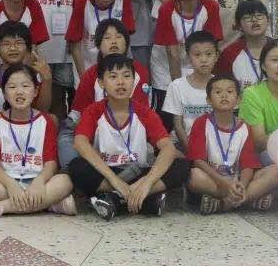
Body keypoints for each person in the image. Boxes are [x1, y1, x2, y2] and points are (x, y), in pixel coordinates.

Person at [69, 55, 190, 220]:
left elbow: (167, 147)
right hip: (107, 173)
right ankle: (145, 201)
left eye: (126, 76)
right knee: (77, 167)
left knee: (181, 165)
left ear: (134, 81)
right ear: (101, 82)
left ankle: (116, 198)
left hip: (139, 172)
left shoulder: (144, 112)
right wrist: (115, 181)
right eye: (113, 77)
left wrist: (146, 184)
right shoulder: (93, 111)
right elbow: (79, 142)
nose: (121, 82)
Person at [0, 63, 76, 219]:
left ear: (35, 91)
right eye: (12, 87)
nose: (19, 92)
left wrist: (39, 182)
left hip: (39, 182)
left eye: (26, 86)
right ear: (4, 93)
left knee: (65, 180)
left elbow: (51, 163)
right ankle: (50, 204)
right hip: (7, 182)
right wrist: (11, 185)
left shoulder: (46, 121)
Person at [59, 19, 152, 167]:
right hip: (91, 127)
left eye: (119, 36)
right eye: (107, 37)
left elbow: (142, 114)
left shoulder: (140, 71)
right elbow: (81, 116)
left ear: (127, 42)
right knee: (67, 143)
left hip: (129, 128)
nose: (113, 41)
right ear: (98, 44)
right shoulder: (91, 74)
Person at [186, 74, 278, 213]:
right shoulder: (201, 123)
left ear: (238, 99)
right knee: (195, 176)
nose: (224, 96)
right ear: (208, 100)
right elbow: (198, 161)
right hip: (214, 180)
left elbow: (248, 165)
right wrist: (224, 182)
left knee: (277, 170)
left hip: (237, 180)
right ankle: (249, 198)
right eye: (218, 92)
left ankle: (224, 204)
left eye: (230, 92)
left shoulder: (244, 127)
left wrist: (242, 185)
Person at [0, 21, 53, 156]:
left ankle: (44, 161)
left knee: (52, 119)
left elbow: (43, 112)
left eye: (18, 43)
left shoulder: (37, 75)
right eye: (6, 44)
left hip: (28, 131)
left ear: (28, 48)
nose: (13, 48)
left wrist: (47, 80)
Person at [151, 0, 223, 111]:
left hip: (198, 63)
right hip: (166, 67)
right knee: (171, 110)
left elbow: (209, 48)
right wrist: (179, 90)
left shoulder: (211, 7)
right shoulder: (166, 10)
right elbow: (172, 54)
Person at [66, 0, 135, 81]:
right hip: (87, 66)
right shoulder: (82, 3)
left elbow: (125, 40)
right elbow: (75, 45)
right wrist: (84, 78)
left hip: (117, 68)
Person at [163, 31, 220, 147]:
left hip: (215, 145)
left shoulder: (221, 85)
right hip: (183, 143)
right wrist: (192, 151)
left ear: (217, 56)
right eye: (197, 55)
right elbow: (178, 125)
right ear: (188, 57)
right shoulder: (177, 86)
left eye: (209, 54)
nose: (203, 60)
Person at [216, 0, 273, 88]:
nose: (254, 20)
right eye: (247, 17)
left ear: (268, 20)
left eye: (259, 15)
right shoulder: (229, 54)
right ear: (239, 25)